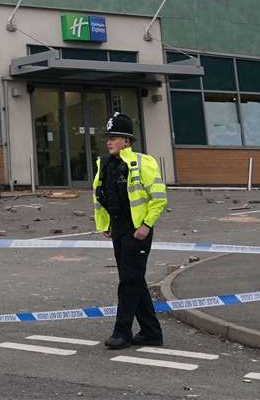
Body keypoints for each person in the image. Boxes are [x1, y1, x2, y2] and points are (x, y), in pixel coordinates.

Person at [93, 111, 168, 349]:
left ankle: (122, 332)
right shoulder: (104, 164)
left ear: (127, 141)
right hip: (118, 229)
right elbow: (102, 197)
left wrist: (146, 225)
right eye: (108, 136)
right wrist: (106, 225)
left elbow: (159, 198)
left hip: (138, 231)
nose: (109, 141)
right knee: (134, 280)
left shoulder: (143, 163)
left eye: (115, 137)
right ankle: (151, 332)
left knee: (128, 282)